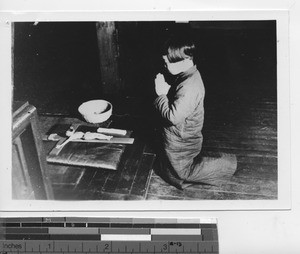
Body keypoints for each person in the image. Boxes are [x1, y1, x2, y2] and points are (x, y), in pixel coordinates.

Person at [154, 35, 237, 190]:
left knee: (182, 173)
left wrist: (161, 95)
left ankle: (228, 165)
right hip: (180, 135)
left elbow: (172, 117)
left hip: (182, 140)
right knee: (167, 167)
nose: (164, 65)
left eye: (166, 62)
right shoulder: (189, 74)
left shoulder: (190, 87)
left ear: (185, 60)